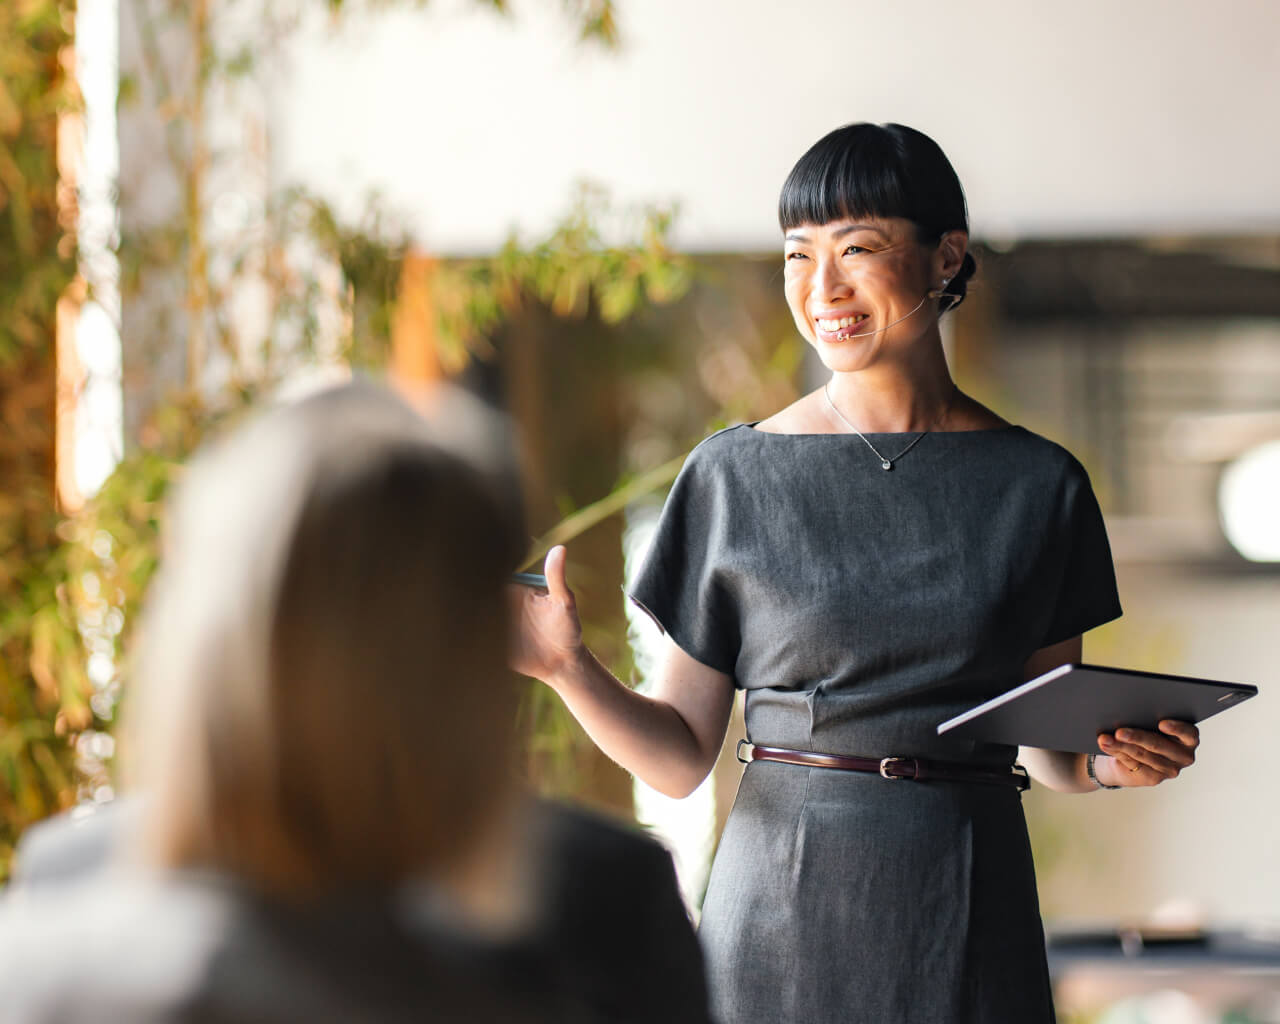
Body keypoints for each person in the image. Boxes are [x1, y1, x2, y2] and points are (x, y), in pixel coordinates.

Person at [511, 123, 1202, 1023]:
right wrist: (567, 667)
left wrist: (1117, 763)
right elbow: (680, 758)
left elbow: (1047, 742)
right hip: (779, 913)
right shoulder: (732, 476)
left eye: (858, 249)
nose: (822, 288)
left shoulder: (1040, 486)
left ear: (946, 256)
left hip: (969, 900)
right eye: (798, 256)